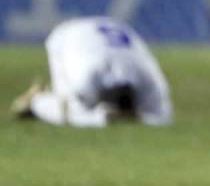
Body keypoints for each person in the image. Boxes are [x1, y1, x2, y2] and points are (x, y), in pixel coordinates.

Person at [10, 17, 173, 128]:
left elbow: (164, 119)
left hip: (107, 32)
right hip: (64, 37)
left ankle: (42, 99)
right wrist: (104, 118)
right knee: (68, 108)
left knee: (79, 111)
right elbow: (73, 116)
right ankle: (36, 101)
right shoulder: (85, 80)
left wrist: (109, 118)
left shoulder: (152, 84)